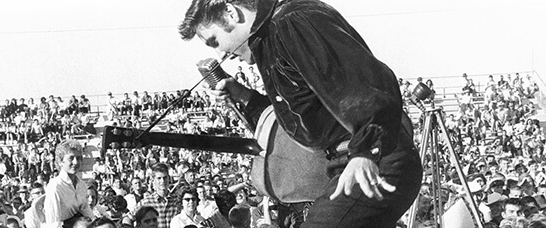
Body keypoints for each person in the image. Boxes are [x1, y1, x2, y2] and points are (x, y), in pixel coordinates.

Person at [178, 0, 422, 227]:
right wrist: (243, 95)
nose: (221, 54)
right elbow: (299, 119)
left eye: (214, 41)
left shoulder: (291, 22)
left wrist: (367, 152)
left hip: (373, 159)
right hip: (351, 161)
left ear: (232, 13)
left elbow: (370, 84)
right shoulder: (274, 36)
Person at [43, 140, 92, 227]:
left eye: (78, 158)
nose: (76, 162)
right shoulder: (55, 186)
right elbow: (53, 223)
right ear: (61, 161)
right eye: (71, 158)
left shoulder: (81, 185)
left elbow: (87, 213)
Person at [132, 163, 180, 228]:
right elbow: (128, 218)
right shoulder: (145, 202)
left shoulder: (177, 201)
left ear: (169, 178)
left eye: (165, 177)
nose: (162, 181)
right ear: (153, 180)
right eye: (159, 178)